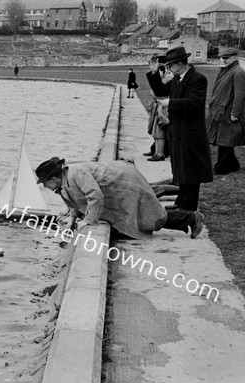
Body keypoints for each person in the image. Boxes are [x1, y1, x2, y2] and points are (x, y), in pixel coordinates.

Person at [35, 157, 205, 239]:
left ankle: (192, 217)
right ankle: (188, 218)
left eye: (45, 183)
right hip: (114, 192)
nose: (45, 188)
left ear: (53, 178)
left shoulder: (76, 173)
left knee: (148, 216)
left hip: (123, 184)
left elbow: (94, 195)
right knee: (142, 218)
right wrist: (72, 221)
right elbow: (74, 204)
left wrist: (88, 221)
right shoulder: (63, 184)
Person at [146, 46, 213, 211]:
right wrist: (154, 73)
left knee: (191, 171)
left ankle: (188, 207)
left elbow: (194, 103)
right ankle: (181, 203)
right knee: (181, 169)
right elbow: (160, 91)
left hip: (191, 132)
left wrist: (170, 103)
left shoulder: (198, 79)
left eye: (170, 65)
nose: (168, 68)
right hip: (177, 131)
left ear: (180, 64)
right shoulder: (177, 79)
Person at [207, 47, 245, 175]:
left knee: (225, 140)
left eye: (226, 58)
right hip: (221, 111)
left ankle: (221, 167)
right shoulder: (227, 70)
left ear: (235, 57)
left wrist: (235, 113)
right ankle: (232, 165)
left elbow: (240, 95)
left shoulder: (238, 72)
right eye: (222, 57)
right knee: (223, 139)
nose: (223, 60)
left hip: (229, 112)